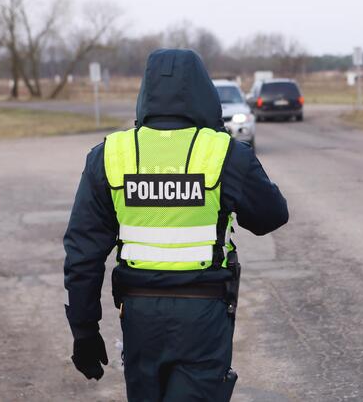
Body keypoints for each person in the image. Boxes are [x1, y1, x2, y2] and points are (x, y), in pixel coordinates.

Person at [64, 49, 288, 401]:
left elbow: (83, 255)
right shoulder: (224, 153)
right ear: (203, 91)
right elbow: (271, 217)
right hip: (204, 315)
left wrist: (84, 331)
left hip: (139, 317)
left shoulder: (110, 154)